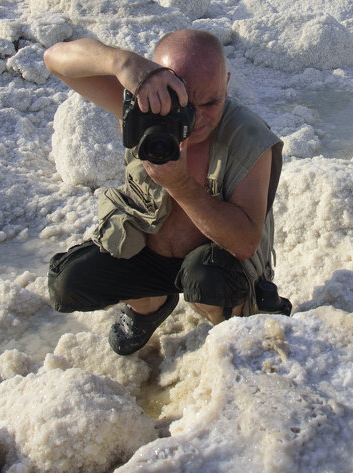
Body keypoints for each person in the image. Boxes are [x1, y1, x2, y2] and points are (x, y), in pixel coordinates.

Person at [42, 29, 289, 355]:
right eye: (183, 104)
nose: (197, 119)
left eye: (212, 102)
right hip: (151, 245)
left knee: (209, 281)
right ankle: (148, 308)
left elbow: (243, 242)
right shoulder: (143, 109)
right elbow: (55, 60)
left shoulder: (250, 139)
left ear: (226, 84)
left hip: (214, 263)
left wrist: (179, 184)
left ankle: (234, 328)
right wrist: (122, 62)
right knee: (69, 282)